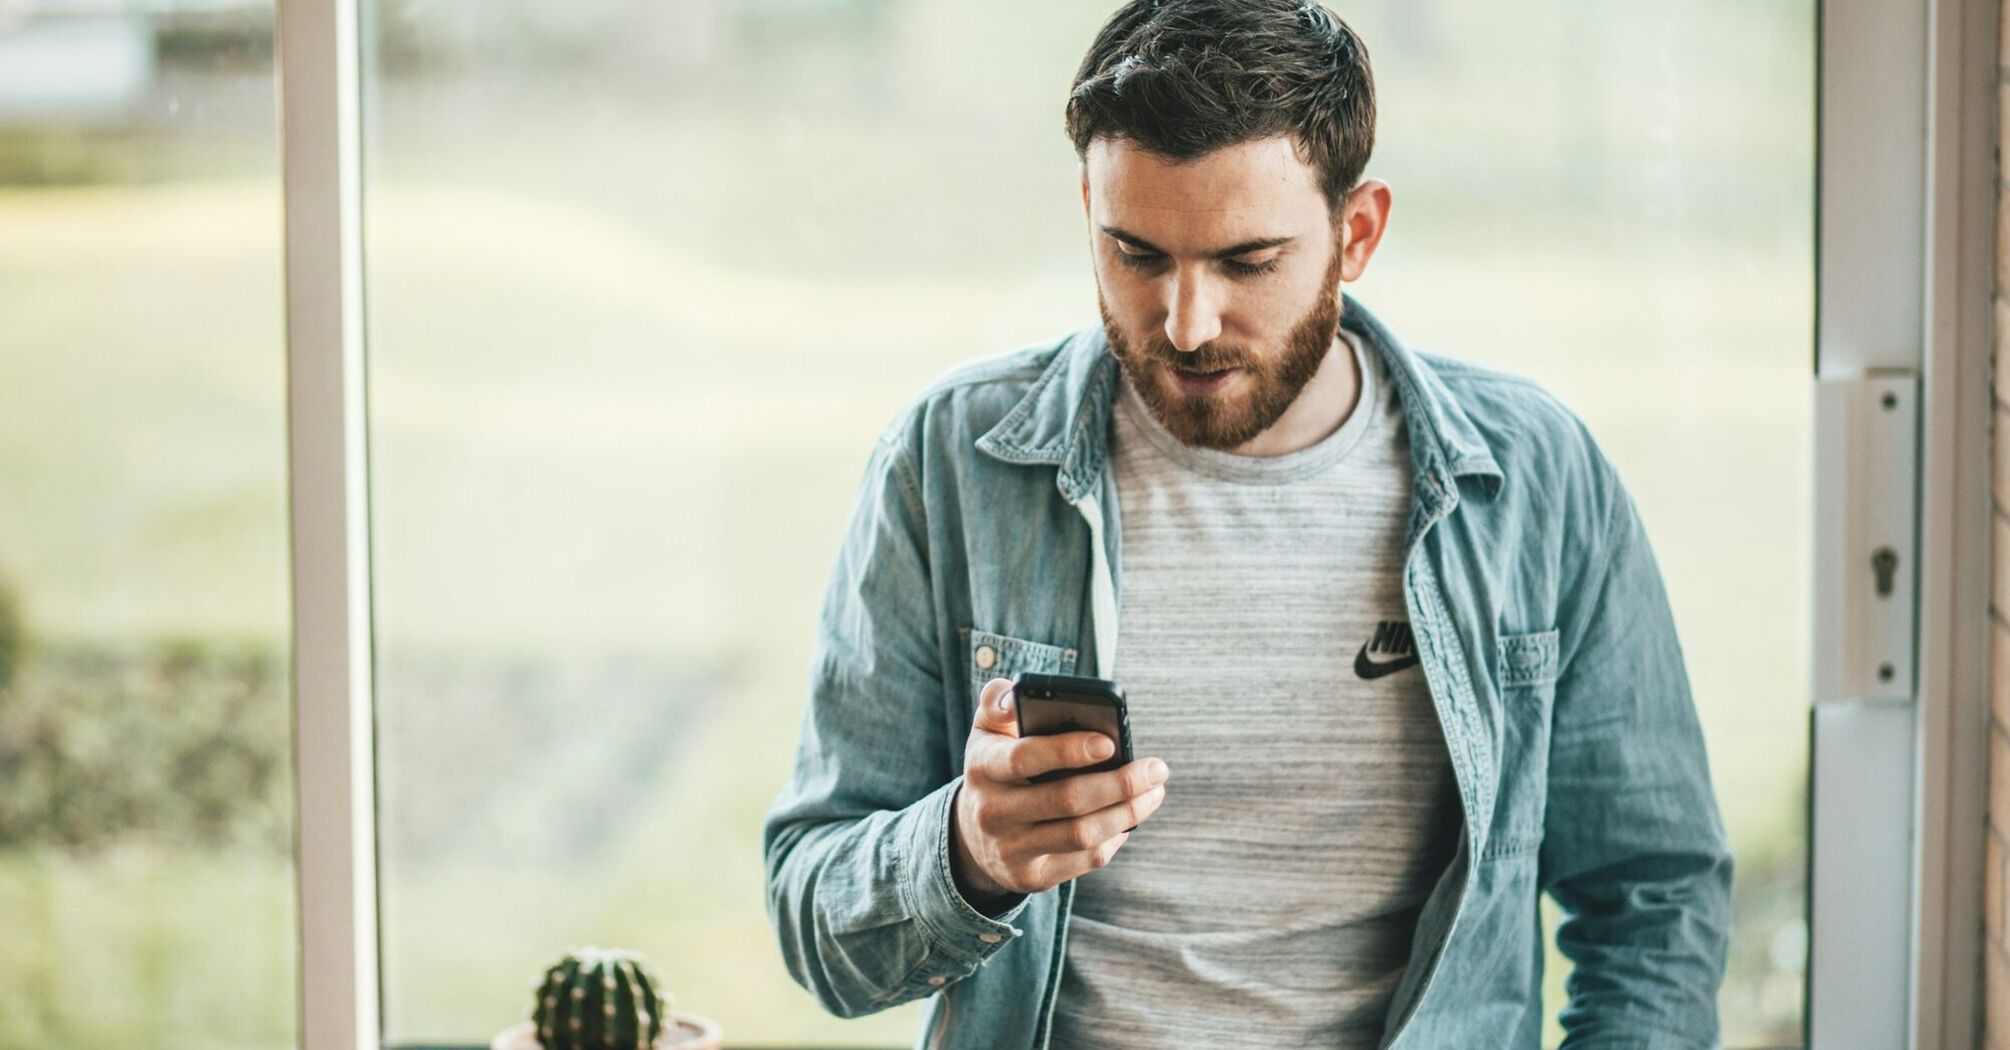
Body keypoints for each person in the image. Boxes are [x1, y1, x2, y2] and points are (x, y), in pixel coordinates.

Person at [762, 1, 1733, 1047]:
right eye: (1135, 254)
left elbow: (1654, 901)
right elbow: (817, 921)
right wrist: (967, 854)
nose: (1186, 324)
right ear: (1088, 206)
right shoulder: (951, 463)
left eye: (1247, 262)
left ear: (1357, 234)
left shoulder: (1538, 480)